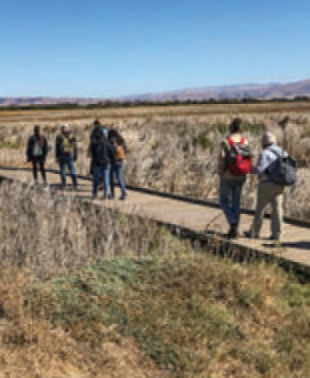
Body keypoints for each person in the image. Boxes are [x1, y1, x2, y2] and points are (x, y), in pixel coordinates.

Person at [246, 132, 286, 241]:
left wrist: (249, 168)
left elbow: (259, 169)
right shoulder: (282, 152)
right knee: (277, 209)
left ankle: (254, 232)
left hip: (267, 184)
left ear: (263, 142)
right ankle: (277, 234)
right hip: (280, 184)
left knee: (260, 208)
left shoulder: (265, 153)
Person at [218, 118, 251, 239]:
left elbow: (221, 159)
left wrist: (220, 171)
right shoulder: (245, 142)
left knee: (223, 201)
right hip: (241, 175)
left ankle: (232, 222)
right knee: (236, 202)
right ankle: (235, 230)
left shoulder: (226, 142)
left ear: (231, 127)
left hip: (228, 175)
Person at [89, 131, 114, 199]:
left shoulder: (94, 143)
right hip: (106, 163)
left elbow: (92, 155)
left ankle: (94, 194)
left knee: (96, 180)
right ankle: (105, 195)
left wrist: (91, 166)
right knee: (106, 179)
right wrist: (111, 160)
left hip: (97, 163)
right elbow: (112, 152)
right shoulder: (107, 143)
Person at [55, 124, 78, 189]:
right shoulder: (72, 136)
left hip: (62, 155)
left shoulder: (59, 136)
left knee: (63, 170)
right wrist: (76, 155)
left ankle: (64, 184)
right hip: (70, 154)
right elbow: (75, 146)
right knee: (72, 170)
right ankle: (75, 183)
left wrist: (57, 156)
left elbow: (57, 148)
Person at [108, 130, 127, 200]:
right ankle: (123, 192)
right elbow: (125, 150)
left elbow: (109, 151)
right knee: (119, 177)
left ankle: (112, 194)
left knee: (111, 178)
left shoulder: (111, 141)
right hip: (120, 161)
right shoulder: (122, 141)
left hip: (113, 161)